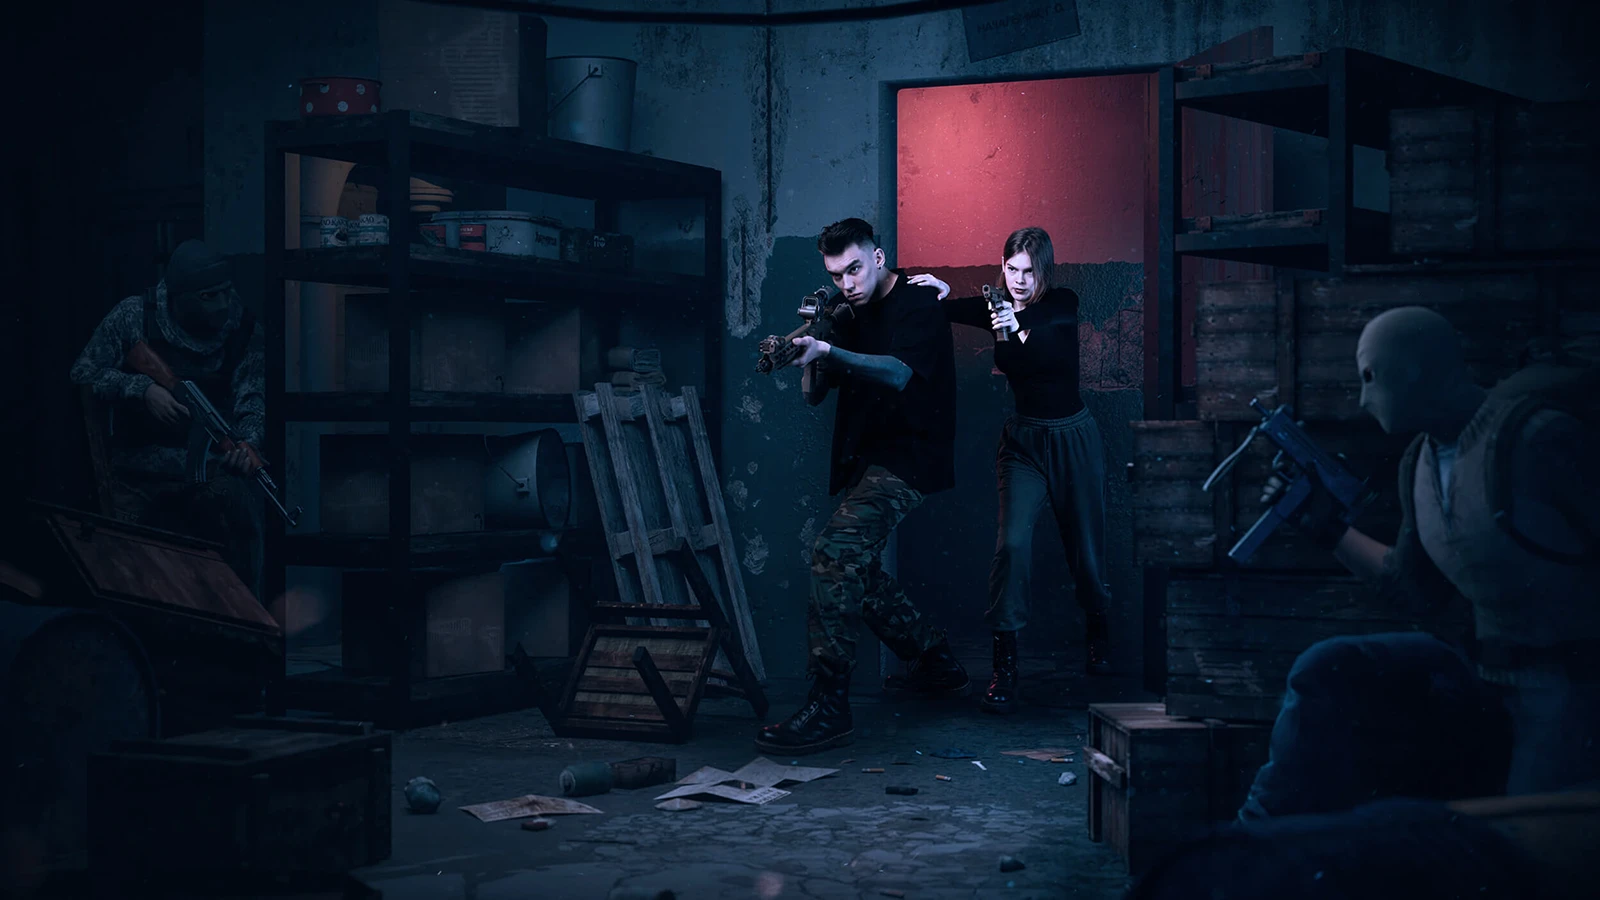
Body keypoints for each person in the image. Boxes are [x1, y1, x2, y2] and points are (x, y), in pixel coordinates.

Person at [1237, 306, 1599, 820]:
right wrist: (1324, 526)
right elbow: (1412, 588)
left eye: (1369, 377)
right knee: (1327, 669)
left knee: (1523, 834)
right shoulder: (1420, 463)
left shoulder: (1537, 439)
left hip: (1567, 687)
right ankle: (1251, 839)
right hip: (1481, 676)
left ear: (1412, 371)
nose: (1362, 399)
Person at [755, 218, 969, 755]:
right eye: (836, 274)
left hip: (910, 456)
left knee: (834, 552)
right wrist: (807, 351)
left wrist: (827, 351)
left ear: (877, 257)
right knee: (856, 566)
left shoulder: (919, 303)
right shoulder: (844, 314)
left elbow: (898, 374)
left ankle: (829, 706)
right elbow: (813, 397)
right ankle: (934, 661)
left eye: (855, 268)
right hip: (866, 456)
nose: (847, 283)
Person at [907, 227, 1113, 715]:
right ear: (1002, 267)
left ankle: (1099, 629)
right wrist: (940, 293)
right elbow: (948, 311)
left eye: (1029, 272)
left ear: (1045, 273)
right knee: (1012, 546)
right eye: (1011, 269)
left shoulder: (1061, 302)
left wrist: (1013, 322)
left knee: (1086, 552)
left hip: (1073, 439)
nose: (1019, 280)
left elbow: (1048, 331)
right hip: (1024, 444)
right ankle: (1005, 664)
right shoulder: (996, 305)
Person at [69, 239, 267, 599]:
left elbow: (251, 397)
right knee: (131, 575)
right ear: (180, 297)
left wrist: (248, 444)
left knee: (240, 524)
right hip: (137, 471)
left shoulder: (242, 327)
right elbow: (83, 374)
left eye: (226, 291)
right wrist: (141, 388)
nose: (223, 304)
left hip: (209, 474)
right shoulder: (135, 316)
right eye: (209, 296)